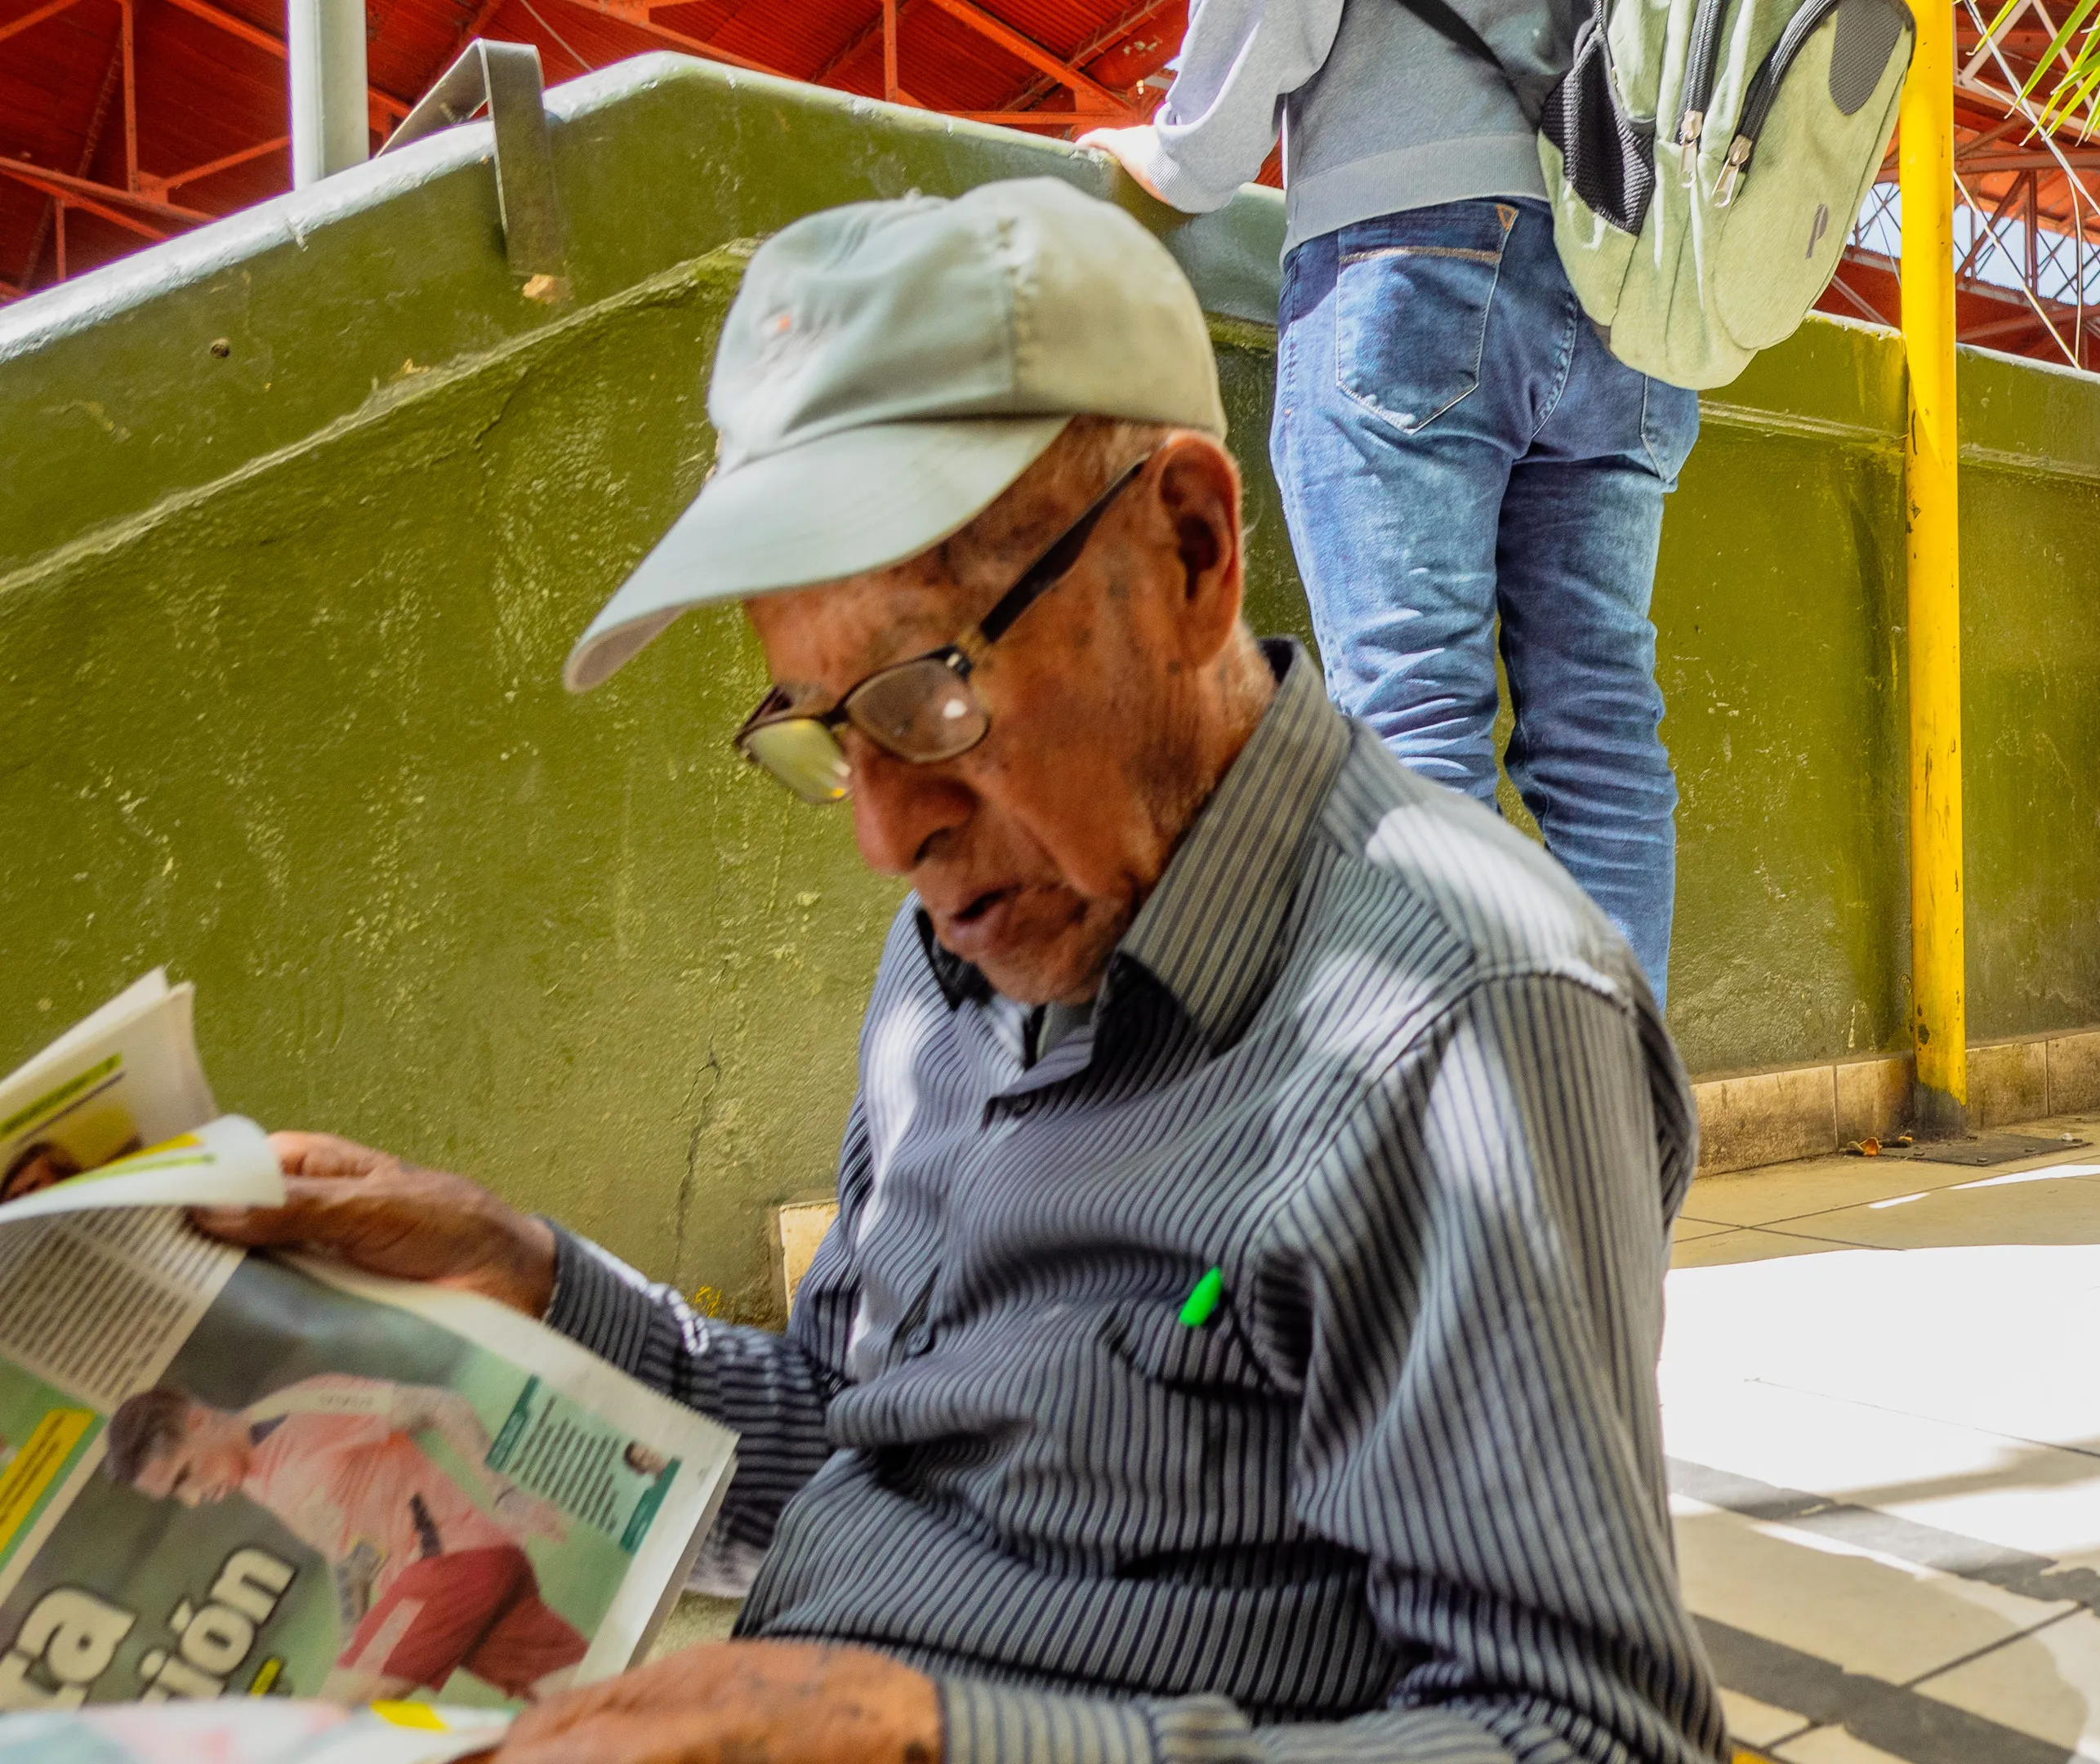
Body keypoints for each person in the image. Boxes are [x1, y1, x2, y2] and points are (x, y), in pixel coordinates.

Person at [194, 178, 1726, 1764]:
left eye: (928, 694)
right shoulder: (967, 947)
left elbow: (1585, 1739)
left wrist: (935, 1739)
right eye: (824, 727)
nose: (883, 833)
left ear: (1191, 550)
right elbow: (875, 1440)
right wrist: (527, 1280)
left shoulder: (1462, 1023)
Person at [1081, 0, 1701, 1005]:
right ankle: (1617, 1136)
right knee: (1604, 732)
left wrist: (1190, 155)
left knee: (1416, 714)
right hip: (1627, 267)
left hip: (1412, 242)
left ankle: (1468, 1135)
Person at [104, 1374, 582, 1704]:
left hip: (452, 1566)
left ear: (197, 1421)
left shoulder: (304, 1408)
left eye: (185, 1475)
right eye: (175, 1494)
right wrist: (354, 1634)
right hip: (451, 1584)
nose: (192, 1498)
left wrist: (504, 1492)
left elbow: (442, 1404)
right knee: (582, 1698)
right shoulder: (249, 1478)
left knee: (333, 1719)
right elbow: (350, 1550)